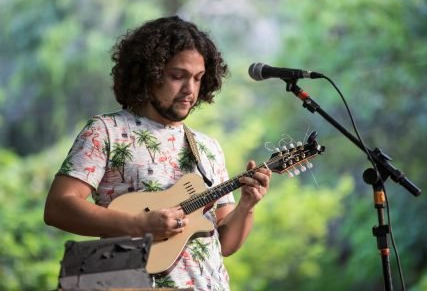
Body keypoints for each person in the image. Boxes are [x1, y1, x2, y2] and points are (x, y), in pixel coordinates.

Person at [44, 16, 271, 290]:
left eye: (198, 79)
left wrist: (247, 206)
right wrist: (139, 224)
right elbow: (58, 207)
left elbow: (226, 244)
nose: (190, 90)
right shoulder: (107, 130)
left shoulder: (208, 148)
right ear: (148, 73)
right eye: (178, 76)